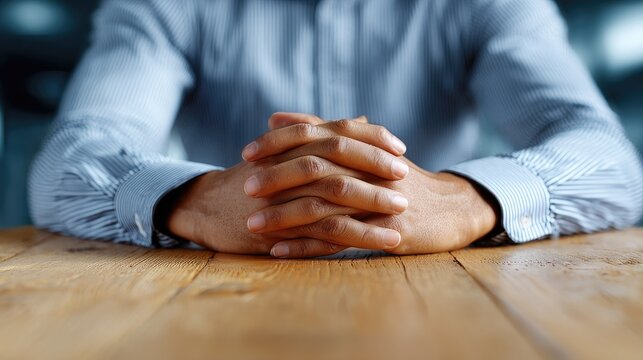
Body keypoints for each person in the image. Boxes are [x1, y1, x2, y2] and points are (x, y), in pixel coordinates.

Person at [29, 0, 643, 258]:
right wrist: (194, 199)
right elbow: (68, 159)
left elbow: (609, 155)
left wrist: (466, 200)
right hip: (221, 286)